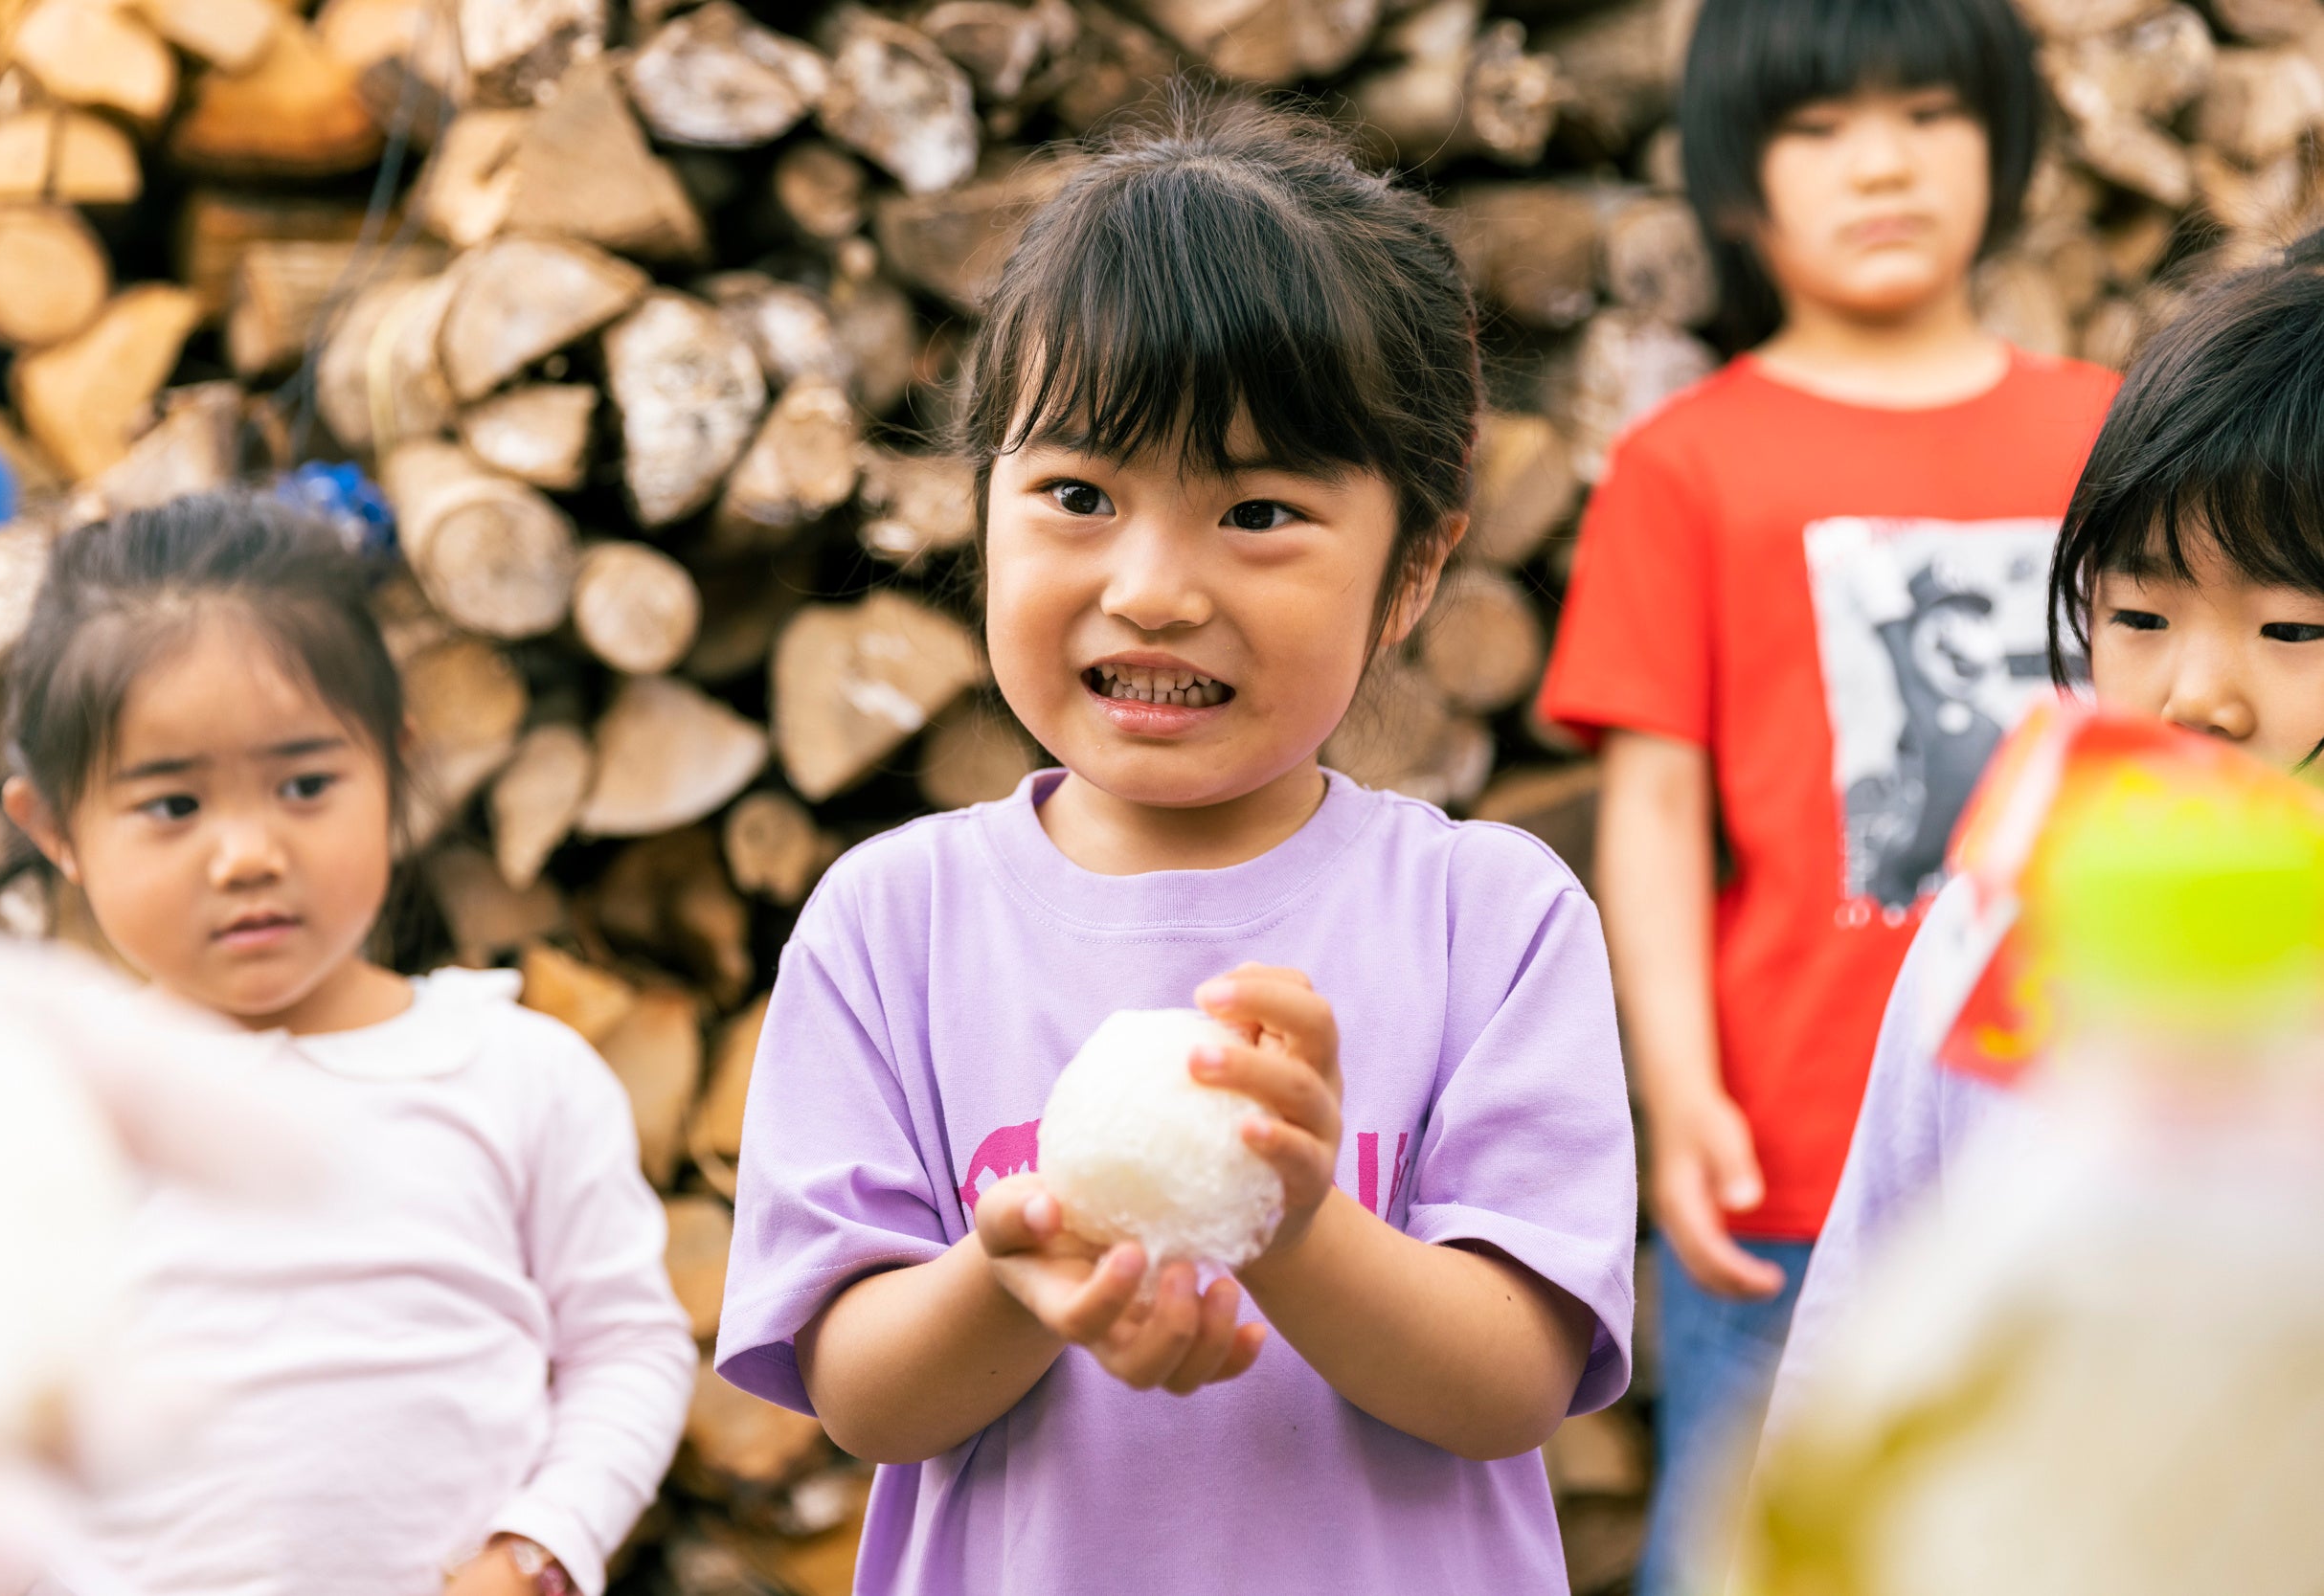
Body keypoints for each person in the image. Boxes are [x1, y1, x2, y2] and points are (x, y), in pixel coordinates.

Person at [714, 99, 1636, 1596]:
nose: (1151, 589)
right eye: (1078, 496)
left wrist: (1285, 1218)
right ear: (982, 509)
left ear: (1411, 573)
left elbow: (1512, 1378)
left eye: (1259, 510)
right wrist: (1014, 1269)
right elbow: (860, 1391)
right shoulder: (896, 919)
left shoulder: (1491, 914)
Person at [1533, 0, 2117, 1585]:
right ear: (1738, 179)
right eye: (1819, 127)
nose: (1882, 162)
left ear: (2002, 142)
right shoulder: (1687, 463)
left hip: (2089, 1127)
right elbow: (1654, 811)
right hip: (1792, 1139)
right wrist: (1683, 1093)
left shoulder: (2114, 433)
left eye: (1928, 113)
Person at [0, 492, 693, 1596]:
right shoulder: (50, 1110)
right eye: (173, 804)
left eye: (307, 784)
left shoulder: (515, 1072)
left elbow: (627, 1346)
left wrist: (539, 1544)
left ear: (394, 770)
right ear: (57, 831)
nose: (247, 853)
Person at [1771, 229, 2324, 1427]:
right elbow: (1874, 1279)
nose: (2198, 696)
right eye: (2138, 615)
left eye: (2291, 632)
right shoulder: (2006, 914)